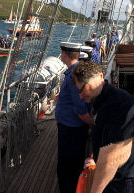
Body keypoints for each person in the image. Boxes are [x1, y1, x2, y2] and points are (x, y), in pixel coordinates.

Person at [73, 61, 134, 193]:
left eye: (83, 89)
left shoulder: (122, 103)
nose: (80, 95)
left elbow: (115, 155)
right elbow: (101, 133)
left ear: (100, 77)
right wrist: (96, 158)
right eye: (78, 91)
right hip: (105, 174)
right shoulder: (95, 100)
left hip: (120, 181)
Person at [54, 42, 93, 193]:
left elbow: (80, 109)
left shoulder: (73, 76)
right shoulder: (74, 71)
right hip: (72, 129)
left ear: (64, 54)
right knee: (71, 163)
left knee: (67, 166)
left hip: (71, 130)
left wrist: (92, 124)